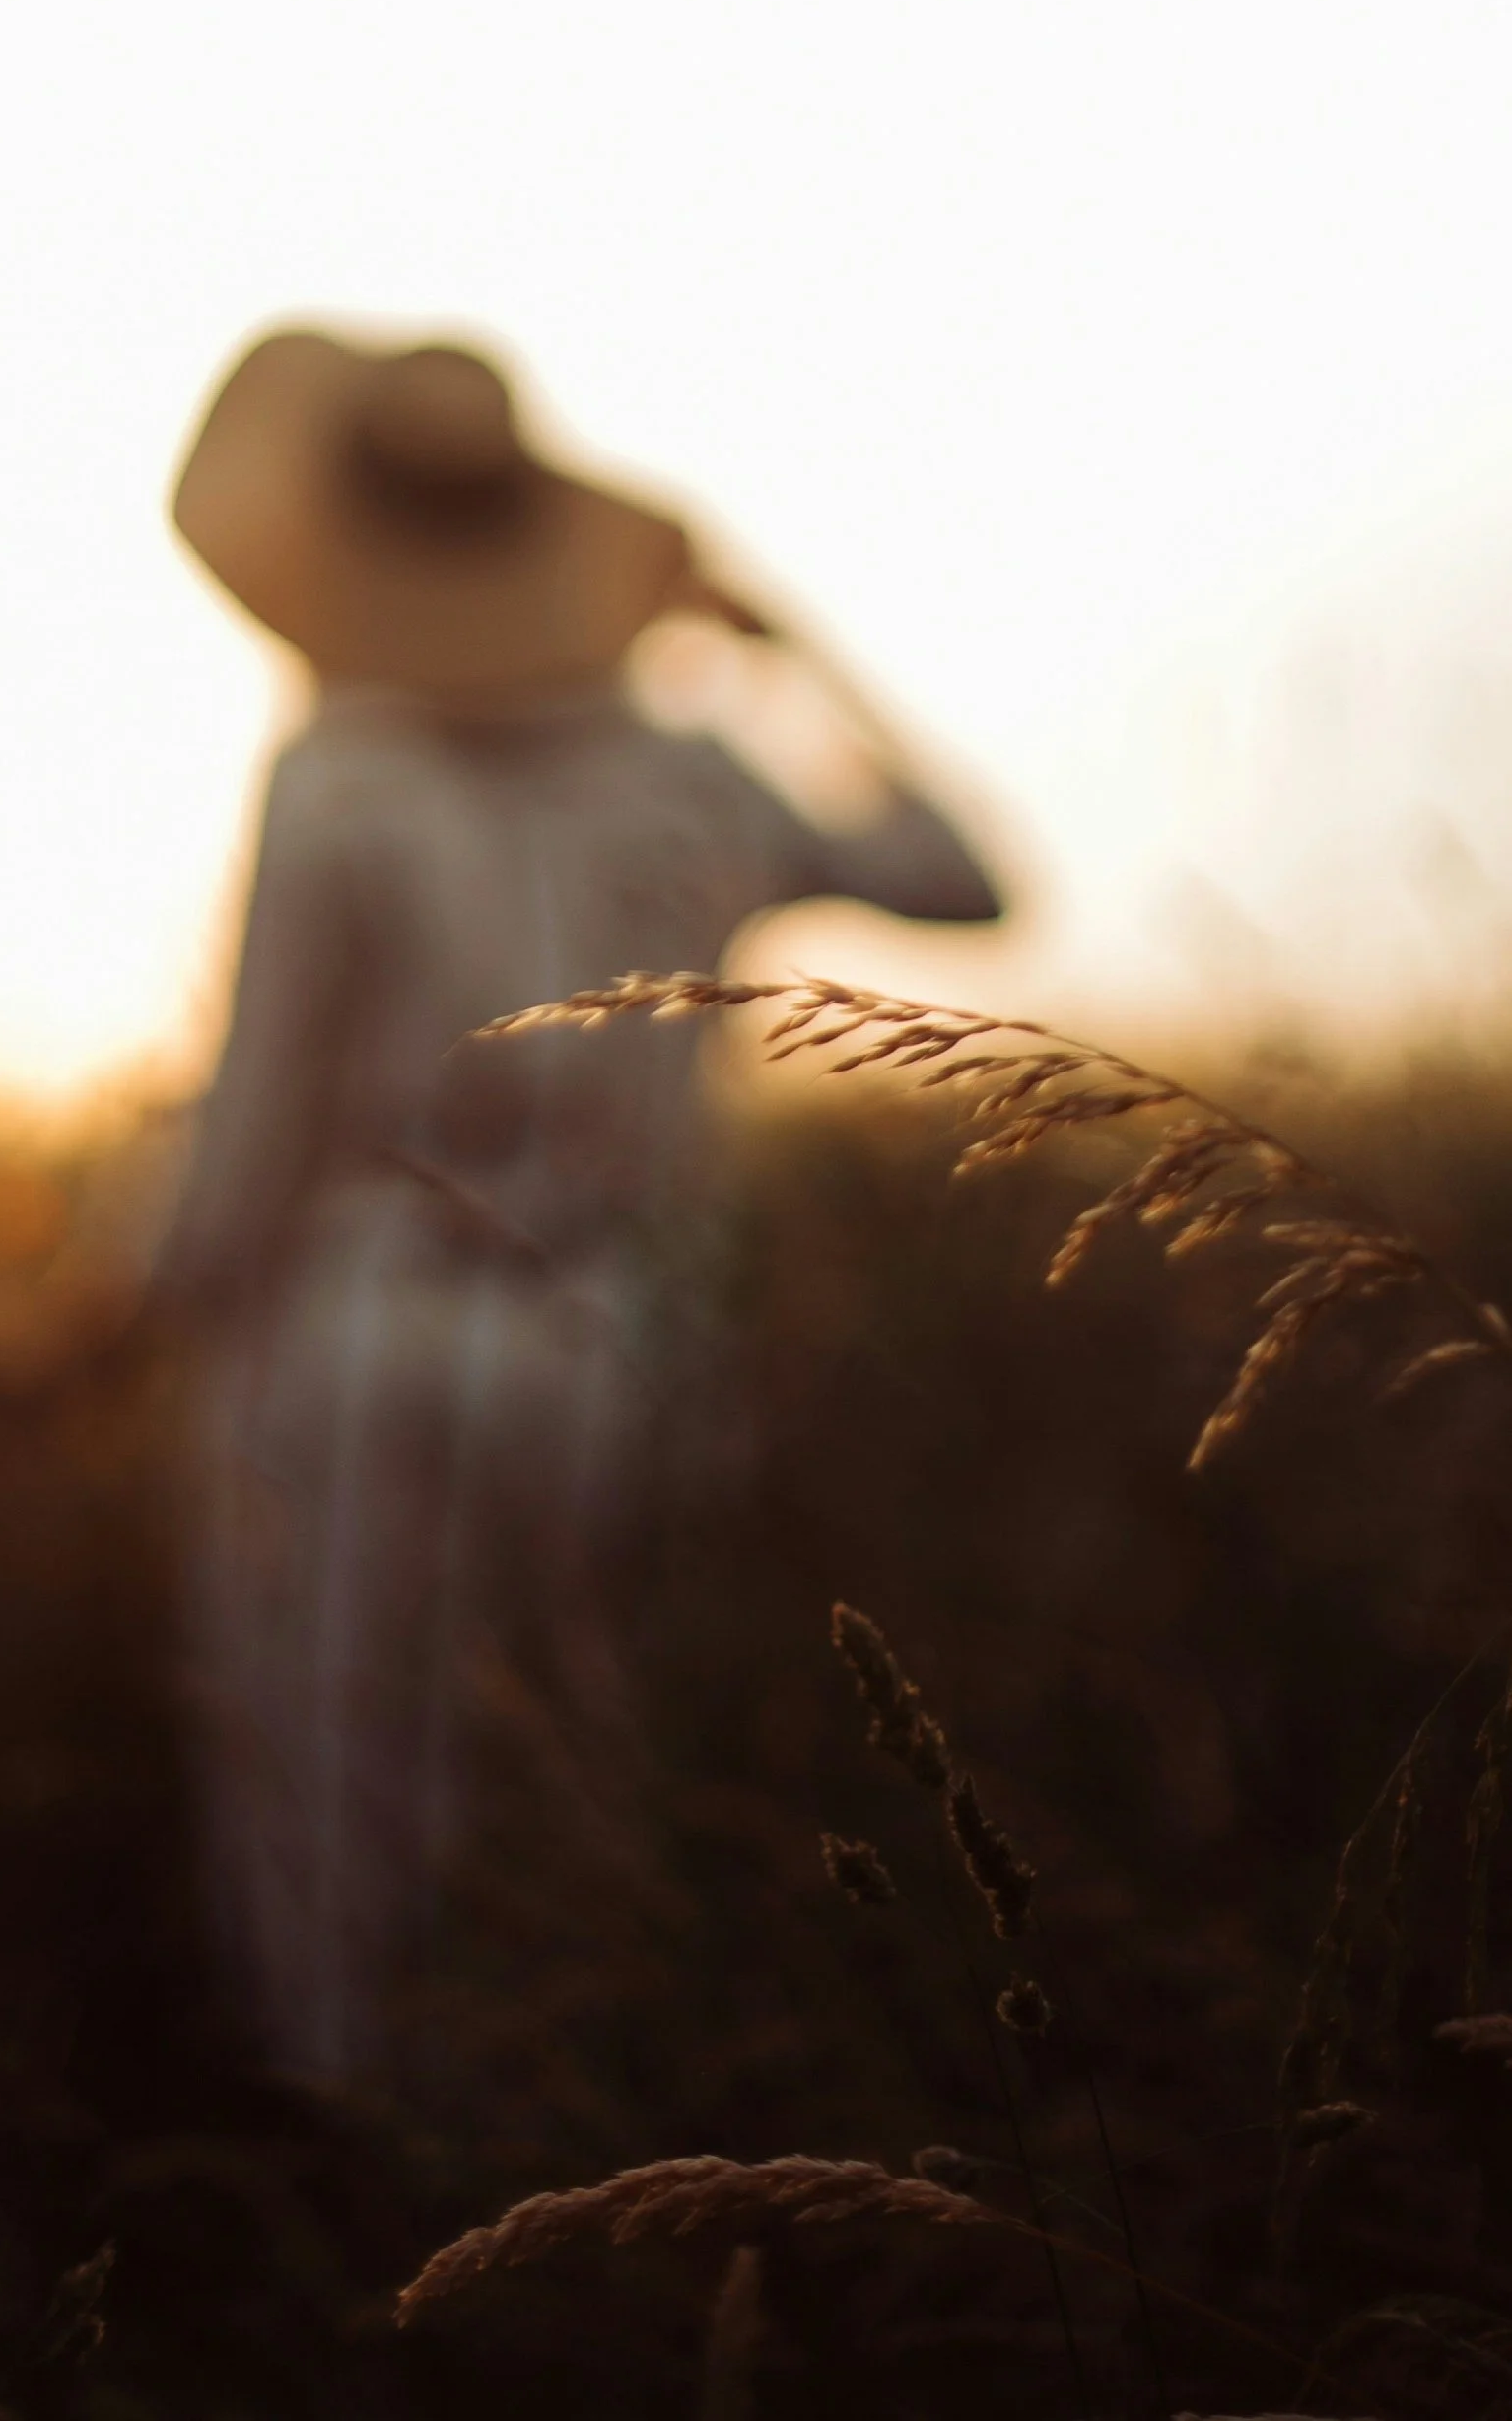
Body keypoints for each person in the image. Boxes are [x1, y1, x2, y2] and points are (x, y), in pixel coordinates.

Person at [156, 324, 1001, 2092]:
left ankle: (364, 2198)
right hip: (619, 1339)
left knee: (340, 1800)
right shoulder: (690, 773)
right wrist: (783, 643)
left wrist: (116, 1311)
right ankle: (575, 2154)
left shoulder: (339, 781)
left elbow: (249, 1161)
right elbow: (964, 878)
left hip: (348, 1346)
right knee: (575, 1764)